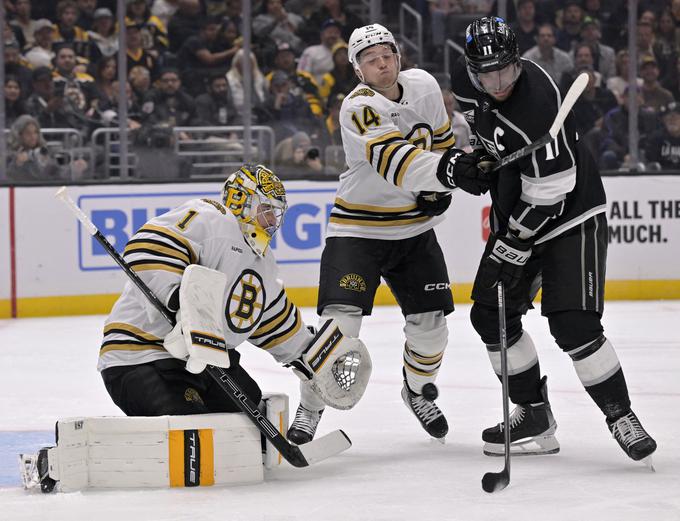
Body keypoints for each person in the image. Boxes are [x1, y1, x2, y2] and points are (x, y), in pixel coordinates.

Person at [441, 16, 656, 463]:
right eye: (487, 74)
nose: (497, 83)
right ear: (471, 69)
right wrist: (476, 159)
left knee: (572, 324)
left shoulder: (538, 104)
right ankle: (534, 414)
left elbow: (553, 190)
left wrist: (513, 242)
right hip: (519, 205)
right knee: (490, 318)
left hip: (571, 213)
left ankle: (620, 414)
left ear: (517, 62)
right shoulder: (465, 79)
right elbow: (488, 132)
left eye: (505, 70)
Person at [286, 24, 458, 445]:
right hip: (357, 231)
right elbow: (394, 161)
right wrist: (448, 175)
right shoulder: (357, 107)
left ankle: (417, 392)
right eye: (370, 59)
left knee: (431, 326)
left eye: (387, 54)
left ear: (398, 56)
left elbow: (441, 142)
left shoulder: (425, 85)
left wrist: (441, 181)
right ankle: (311, 407)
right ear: (358, 70)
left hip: (413, 230)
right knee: (338, 329)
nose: (381, 63)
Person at [100, 164, 366, 418]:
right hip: (140, 356)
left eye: (277, 212)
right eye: (266, 209)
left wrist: (310, 352)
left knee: (252, 421)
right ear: (242, 201)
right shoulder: (211, 217)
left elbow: (271, 320)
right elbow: (150, 247)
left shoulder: (263, 262)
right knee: (192, 429)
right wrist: (177, 300)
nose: (273, 219)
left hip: (203, 363)